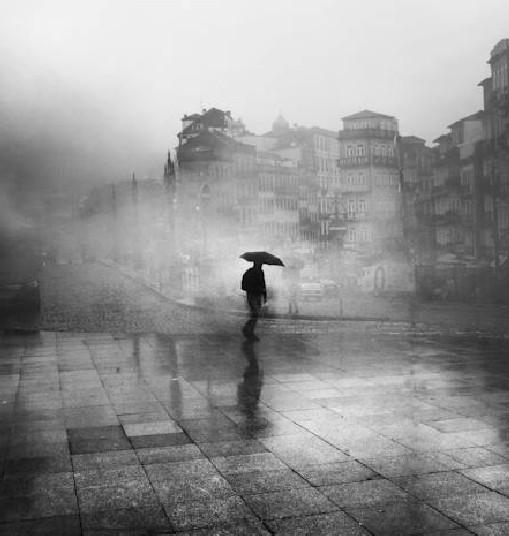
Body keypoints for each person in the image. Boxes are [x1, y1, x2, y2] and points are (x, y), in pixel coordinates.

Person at [241, 262, 267, 340]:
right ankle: (247, 329)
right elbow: (244, 286)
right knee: (255, 314)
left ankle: (249, 331)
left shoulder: (261, 273)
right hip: (252, 295)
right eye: (260, 264)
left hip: (257, 295)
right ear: (256, 264)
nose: (261, 265)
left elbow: (263, 285)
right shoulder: (250, 273)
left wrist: (264, 296)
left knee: (255, 314)